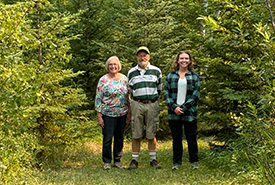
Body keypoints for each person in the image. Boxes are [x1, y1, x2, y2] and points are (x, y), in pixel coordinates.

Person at [127, 46, 162, 170]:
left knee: (151, 133)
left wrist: (153, 101)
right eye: (140, 55)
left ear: (149, 57)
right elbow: (130, 90)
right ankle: (134, 160)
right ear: (137, 57)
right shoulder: (131, 72)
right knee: (136, 133)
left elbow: (159, 89)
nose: (142, 58)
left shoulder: (156, 71)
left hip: (152, 104)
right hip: (137, 104)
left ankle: (153, 159)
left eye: (144, 55)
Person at [164, 51, 200, 170]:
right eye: (181, 58)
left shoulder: (194, 76)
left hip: (189, 112)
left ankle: (194, 161)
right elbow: (166, 93)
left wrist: (184, 108)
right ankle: (176, 162)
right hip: (174, 112)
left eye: (186, 58)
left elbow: (196, 95)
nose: (184, 60)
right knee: (176, 138)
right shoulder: (171, 76)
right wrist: (174, 107)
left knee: (191, 137)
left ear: (189, 61)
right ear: (178, 60)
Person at [95, 56, 130, 170]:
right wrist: (99, 116)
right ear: (107, 66)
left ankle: (118, 160)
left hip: (122, 113)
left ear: (118, 65)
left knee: (119, 138)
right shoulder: (103, 80)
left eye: (115, 64)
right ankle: (107, 161)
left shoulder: (124, 79)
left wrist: (129, 113)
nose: (113, 66)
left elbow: (128, 97)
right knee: (108, 138)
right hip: (108, 114)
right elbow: (98, 98)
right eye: (110, 64)